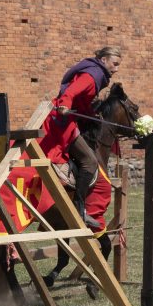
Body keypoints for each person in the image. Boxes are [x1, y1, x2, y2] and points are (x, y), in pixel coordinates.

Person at [39, 47, 122, 229]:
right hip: (63, 120)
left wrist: (92, 114)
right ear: (103, 60)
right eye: (114, 64)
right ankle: (79, 209)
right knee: (91, 162)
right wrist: (65, 105)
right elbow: (71, 92)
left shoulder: (97, 75)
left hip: (69, 119)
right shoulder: (92, 76)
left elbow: (82, 101)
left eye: (118, 65)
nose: (116, 69)